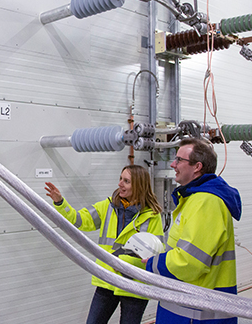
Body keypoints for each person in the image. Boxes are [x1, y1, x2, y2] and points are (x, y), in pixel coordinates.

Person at [45, 165, 163, 324]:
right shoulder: (107, 206)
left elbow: (155, 255)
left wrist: (122, 263)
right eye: (121, 179)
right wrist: (60, 202)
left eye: (126, 181)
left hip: (135, 287)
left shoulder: (152, 216)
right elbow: (79, 220)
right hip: (107, 282)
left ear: (139, 185)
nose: (120, 183)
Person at [145, 138, 242, 324]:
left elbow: (190, 262)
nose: (173, 164)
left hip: (195, 315)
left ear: (197, 167)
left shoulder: (207, 202)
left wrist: (152, 264)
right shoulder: (193, 199)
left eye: (179, 160)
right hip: (184, 310)